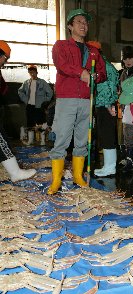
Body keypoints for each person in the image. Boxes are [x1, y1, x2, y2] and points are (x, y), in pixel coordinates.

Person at [48, 9, 106, 195]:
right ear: (70, 26)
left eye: (86, 23)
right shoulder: (61, 45)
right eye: (79, 22)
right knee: (62, 138)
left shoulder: (94, 51)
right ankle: (56, 180)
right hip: (67, 99)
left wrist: (95, 76)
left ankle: (78, 176)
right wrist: (81, 72)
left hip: (87, 100)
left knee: (83, 140)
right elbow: (62, 65)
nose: (83, 25)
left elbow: (102, 74)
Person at [0, 40, 36, 182]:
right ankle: (15, 172)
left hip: (36, 106)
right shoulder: (26, 83)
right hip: (29, 105)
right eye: (5, 58)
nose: (4, 62)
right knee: (2, 141)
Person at [86, 41, 119, 177]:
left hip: (106, 104)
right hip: (101, 104)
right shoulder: (101, 65)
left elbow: (112, 85)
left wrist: (107, 103)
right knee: (104, 135)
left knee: (108, 135)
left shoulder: (104, 66)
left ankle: (110, 167)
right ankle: (108, 165)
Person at [119, 46, 133, 172]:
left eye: (130, 58)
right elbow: (122, 91)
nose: (128, 61)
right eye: (125, 58)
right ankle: (129, 157)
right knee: (128, 131)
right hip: (127, 106)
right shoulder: (123, 73)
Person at [18, 65, 53, 145]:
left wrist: (44, 101)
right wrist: (25, 99)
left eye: (33, 72)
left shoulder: (42, 82)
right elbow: (20, 91)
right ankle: (30, 140)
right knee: (30, 124)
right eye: (30, 73)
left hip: (39, 107)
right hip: (29, 106)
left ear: (37, 72)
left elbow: (50, 92)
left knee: (41, 123)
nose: (32, 74)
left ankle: (43, 141)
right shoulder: (26, 82)